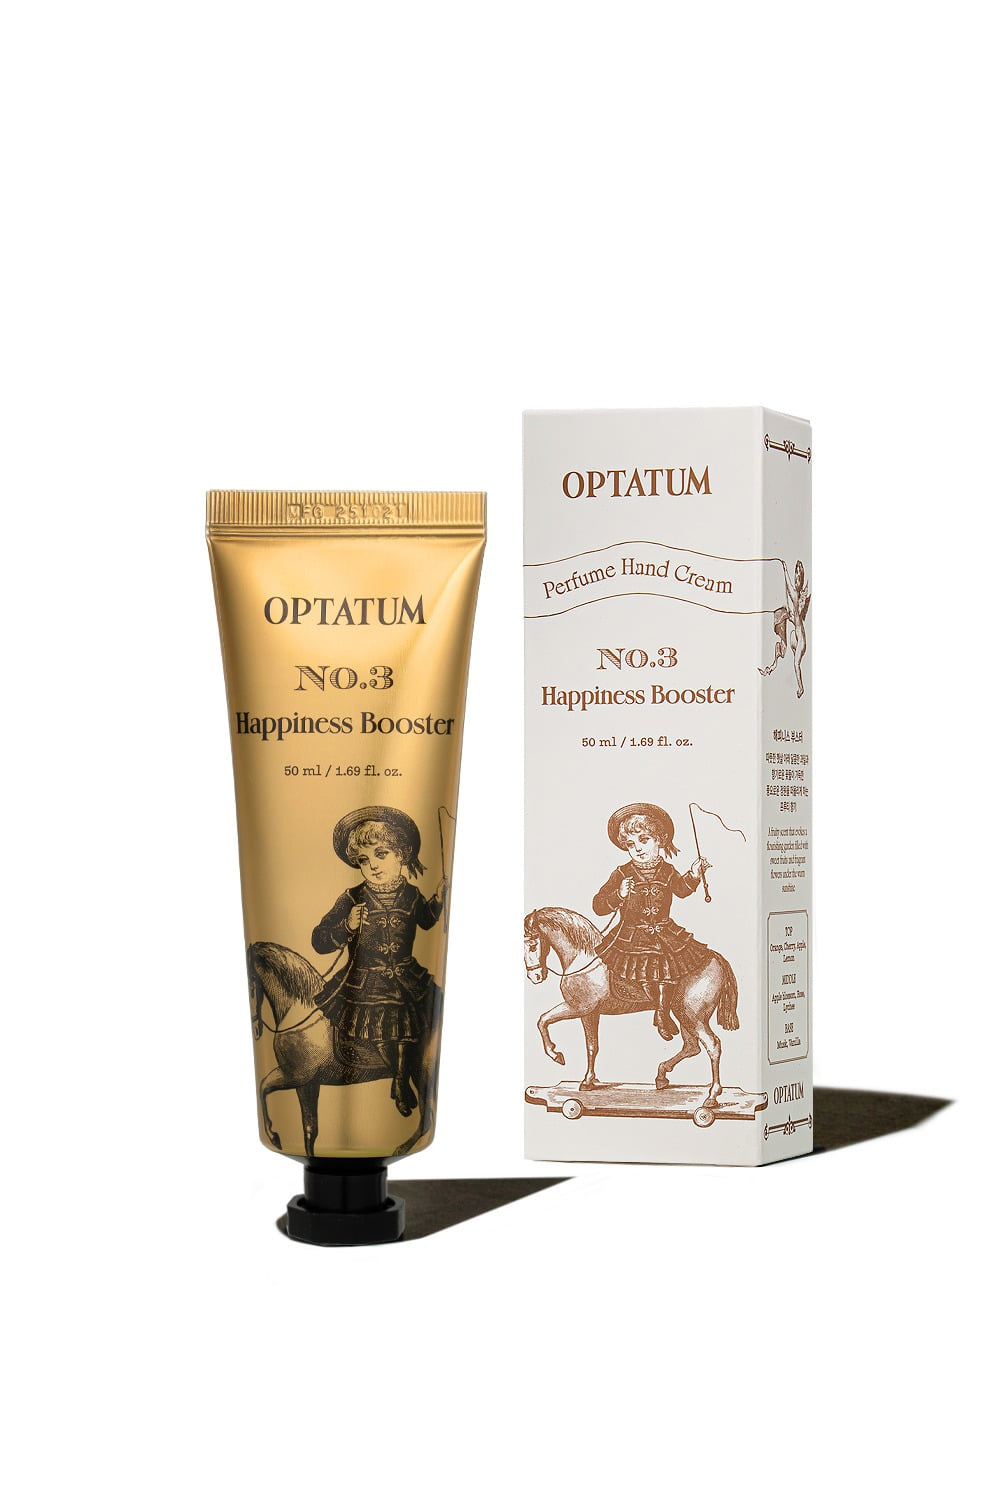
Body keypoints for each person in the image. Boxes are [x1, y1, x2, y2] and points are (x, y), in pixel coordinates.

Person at [312, 806, 445, 1117]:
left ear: (401, 855)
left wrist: (440, 898)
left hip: (407, 976)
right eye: (363, 860)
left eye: (381, 854)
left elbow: (426, 920)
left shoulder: (411, 894)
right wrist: (346, 926)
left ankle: (403, 1080)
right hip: (365, 980)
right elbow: (319, 939)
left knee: (418, 1022)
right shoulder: (352, 897)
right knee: (381, 1024)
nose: (372, 865)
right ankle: (398, 1079)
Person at [593, 802, 711, 1040]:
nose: (637, 848)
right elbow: (598, 905)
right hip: (630, 935)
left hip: (664, 933)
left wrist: (694, 875)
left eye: (644, 839)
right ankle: (659, 1010)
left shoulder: (667, 870)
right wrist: (619, 894)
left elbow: (681, 890)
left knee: (668, 971)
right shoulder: (622, 873)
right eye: (630, 844)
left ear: (660, 840)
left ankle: (662, 1013)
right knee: (644, 972)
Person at [759, 558, 810, 698]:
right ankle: (771, 667)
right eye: (796, 577)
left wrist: (785, 568)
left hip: (800, 638)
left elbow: (789, 587)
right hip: (795, 634)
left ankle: (800, 688)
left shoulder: (796, 596)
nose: (797, 580)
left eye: (799, 577)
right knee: (784, 647)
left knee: (796, 664)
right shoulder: (796, 597)